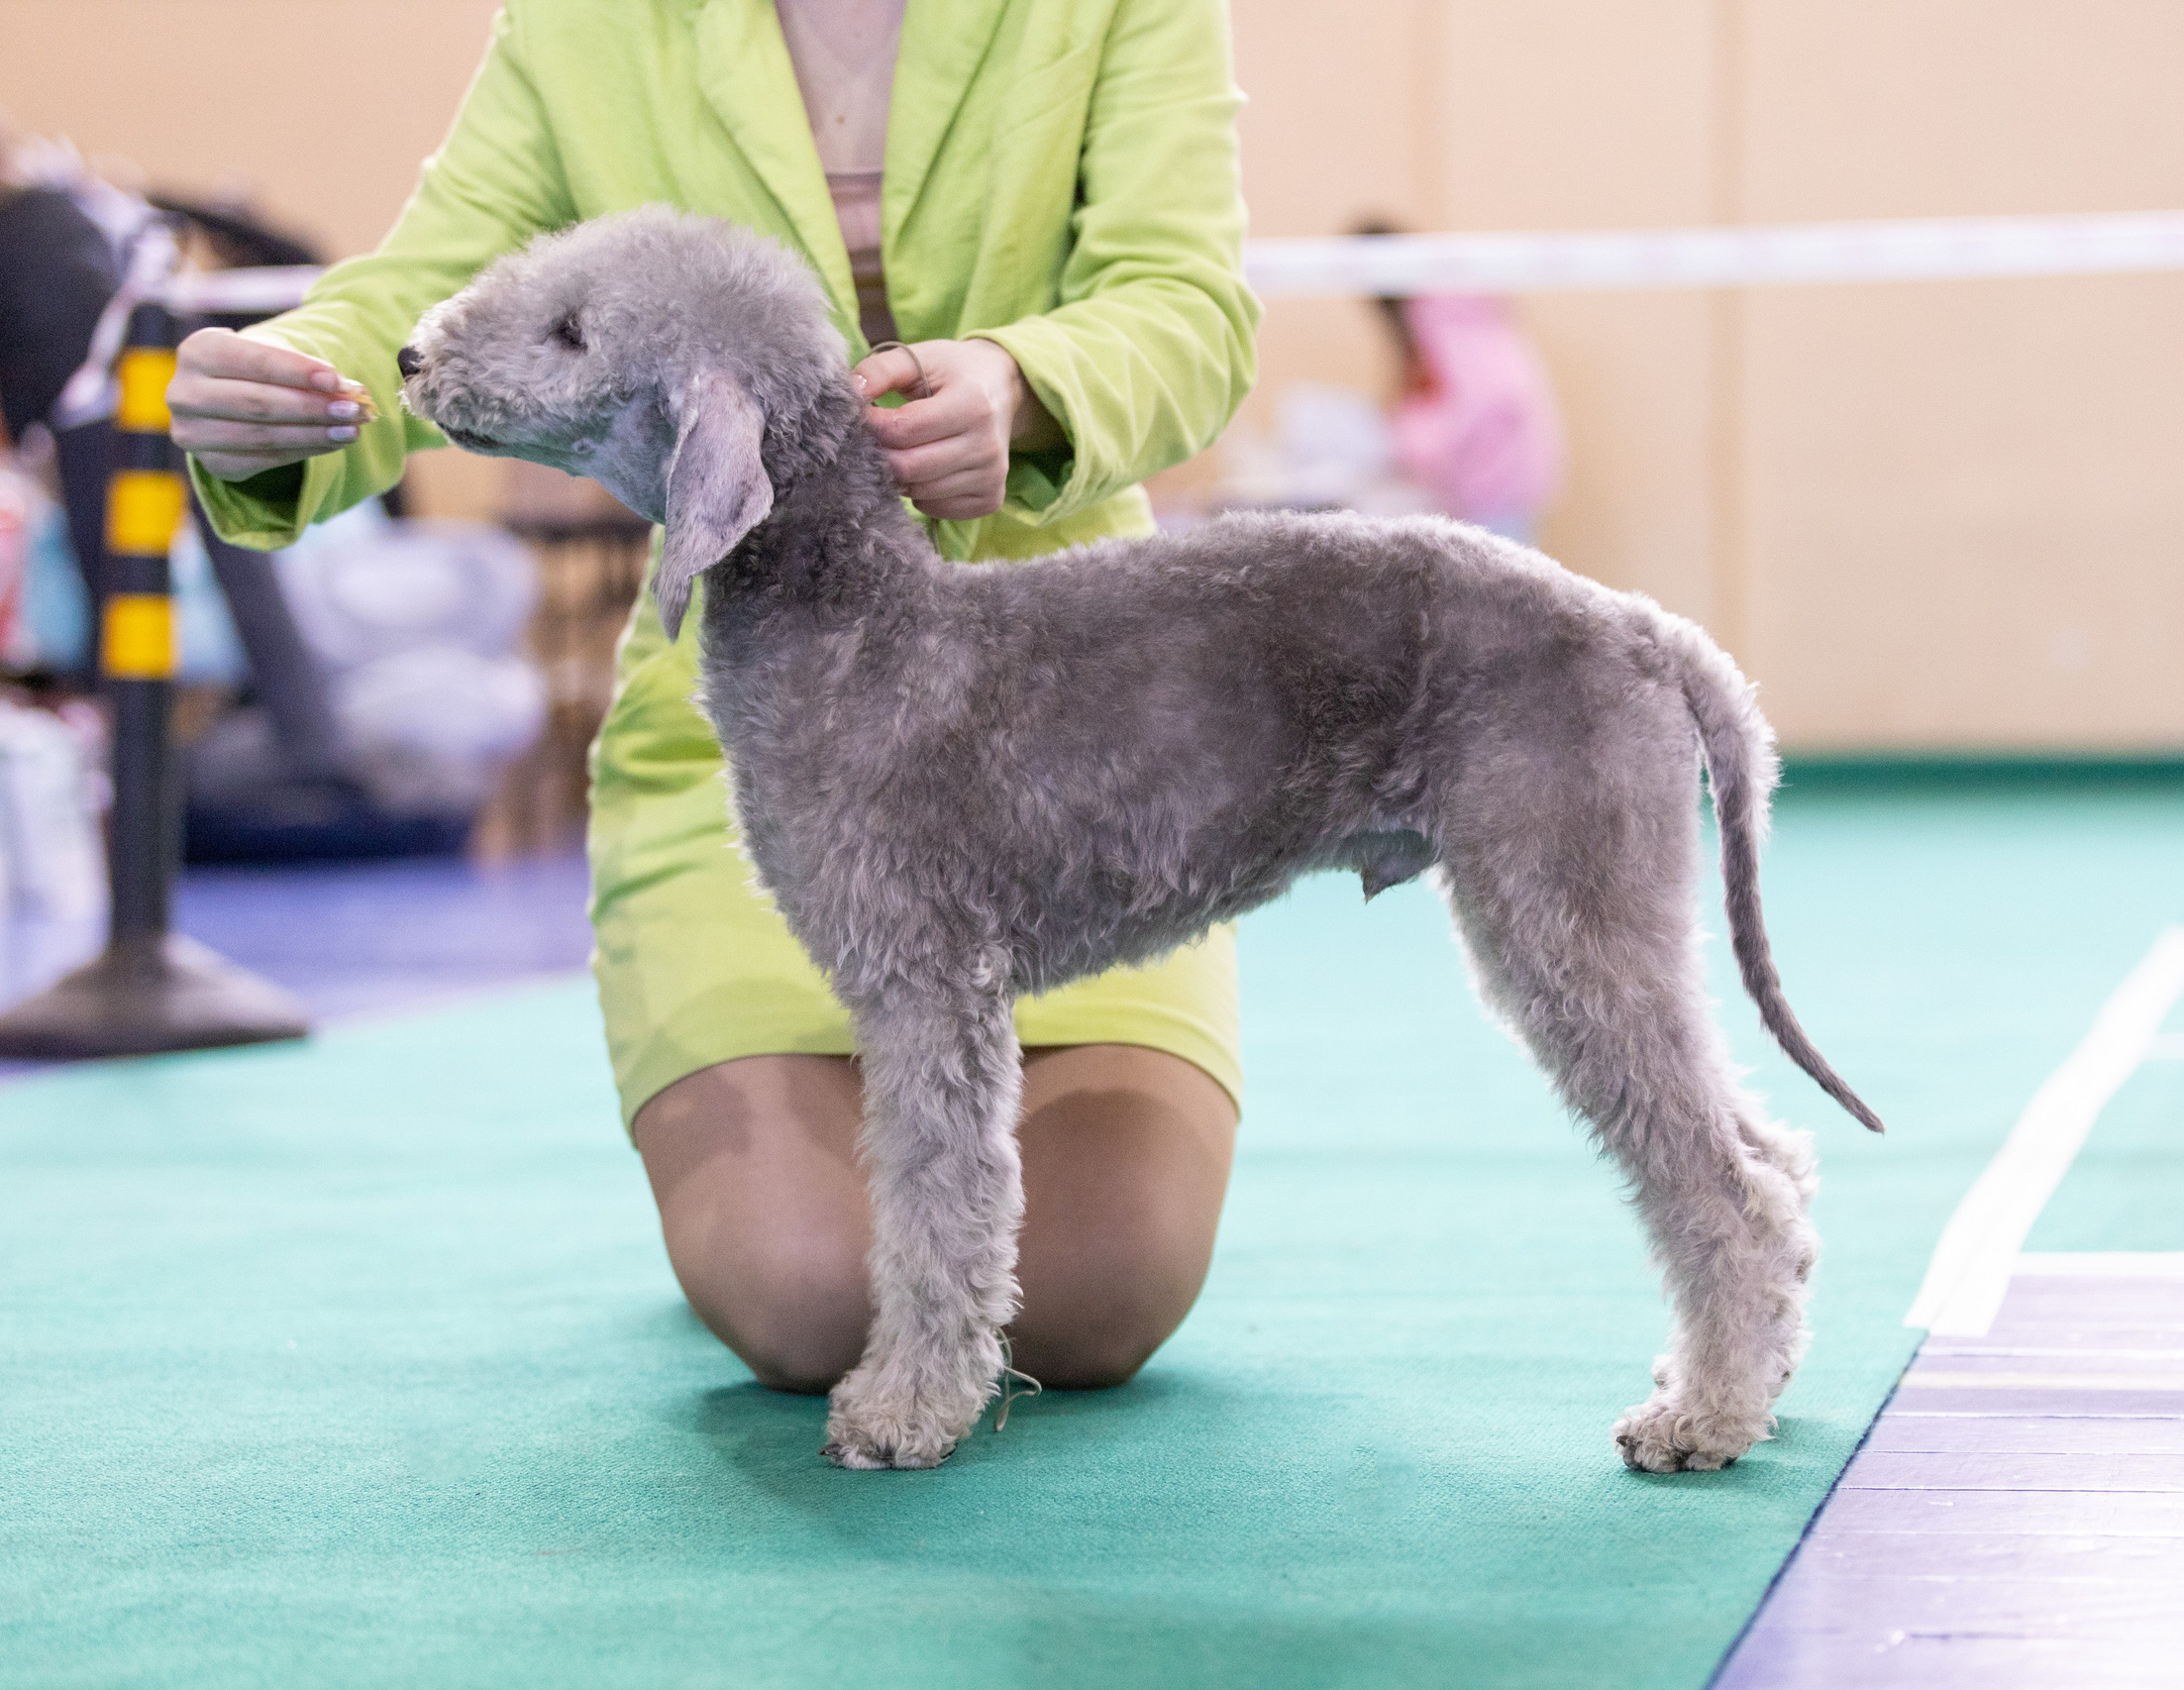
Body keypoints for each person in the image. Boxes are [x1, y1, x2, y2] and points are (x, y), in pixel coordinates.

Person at [170, 0, 1259, 1394]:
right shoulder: (584, 24)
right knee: (811, 1296)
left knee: (1099, 1295)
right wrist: (284, 385)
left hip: (1078, 732)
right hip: (755, 738)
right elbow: (427, 293)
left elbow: (1188, 300)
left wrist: (1026, 382)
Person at [1359, 222, 1564, 545]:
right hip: (1495, 477)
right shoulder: (1451, 305)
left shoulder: (1442, 311)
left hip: (1495, 479)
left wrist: (1410, 442)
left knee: (1499, 569)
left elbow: (1488, 400)